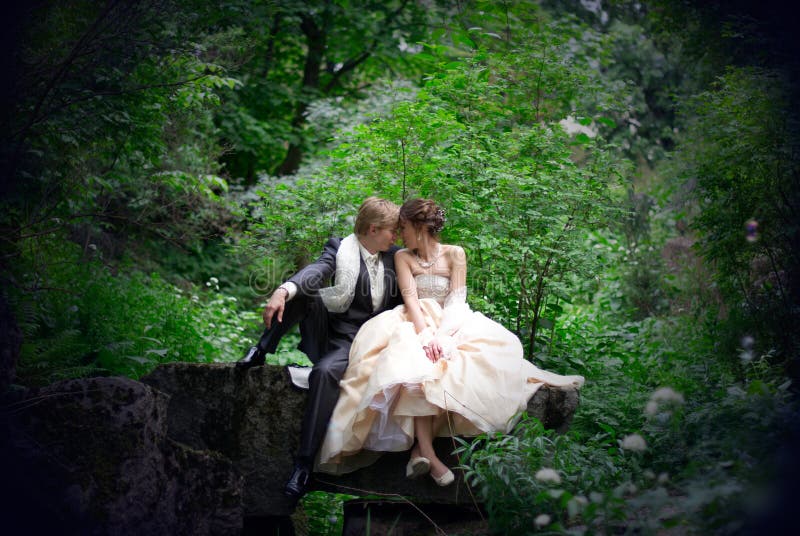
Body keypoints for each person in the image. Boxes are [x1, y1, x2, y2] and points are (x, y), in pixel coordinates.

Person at [315, 198, 585, 484]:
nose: (399, 234)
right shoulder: (403, 257)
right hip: (414, 321)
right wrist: (426, 336)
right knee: (415, 363)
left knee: (455, 364)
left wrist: (442, 336)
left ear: (418, 227)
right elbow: (411, 300)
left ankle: (421, 451)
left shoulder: (455, 254)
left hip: (451, 321)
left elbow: (457, 302)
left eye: (403, 227)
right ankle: (429, 456)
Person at [236, 196, 403, 500]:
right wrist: (282, 289)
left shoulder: (396, 256)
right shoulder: (341, 248)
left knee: (325, 369)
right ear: (374, 228)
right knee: (305, 295)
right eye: (392, 230)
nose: (396, 236)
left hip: (375, 339)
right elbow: (317, 270)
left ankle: (304, 464)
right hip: (338, 335)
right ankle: (262, 349)